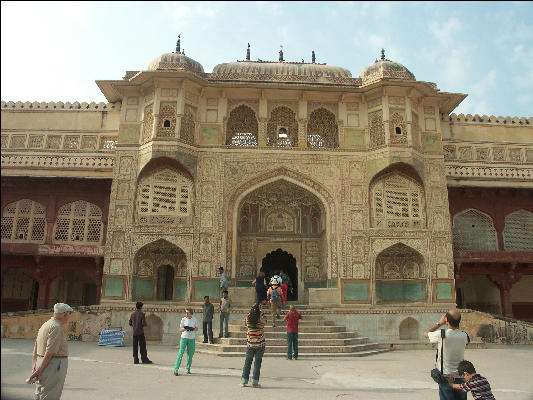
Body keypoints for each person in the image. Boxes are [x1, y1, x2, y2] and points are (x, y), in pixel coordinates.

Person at [29, 303, 73, 400]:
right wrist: (39, 369)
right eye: (69, 314)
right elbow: (50, 351)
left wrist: (35, 366)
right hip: (53, 364)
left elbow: (36, 347)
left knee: (40, 393)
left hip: (41, 361)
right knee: (50, 395)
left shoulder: (46, 324)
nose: (69, 317)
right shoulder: (56, 327)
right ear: (65, 314)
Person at [425, 310, 470, 400]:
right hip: (461, 377)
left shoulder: (442, 334)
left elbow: (426, 333)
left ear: (446, 320)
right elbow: (466, 342)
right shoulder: (464, 335)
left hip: (446, 377)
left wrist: (439, 323)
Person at [240, 303, 266, 388]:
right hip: (260, 343)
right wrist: (261, 313)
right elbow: (265, 322)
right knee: (257, 363)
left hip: (250, 344)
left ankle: (244, 381)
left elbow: (245, 323)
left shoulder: (248, 318)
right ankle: (255, 382)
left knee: (247, 362)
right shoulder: (260, 319)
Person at [174, 308, 198, 376]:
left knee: (190, 354)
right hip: (184, 337)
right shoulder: (183, 319)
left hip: (191, 338)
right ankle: (176, 369)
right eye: (186, 313)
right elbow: (180, 329)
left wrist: (192, 329)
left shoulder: (194, 319)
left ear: (191, 313)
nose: (186, 314)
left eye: (188, 313)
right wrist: (185, 328)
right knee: (180, 353)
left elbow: (196, 328)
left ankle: (188, 369)